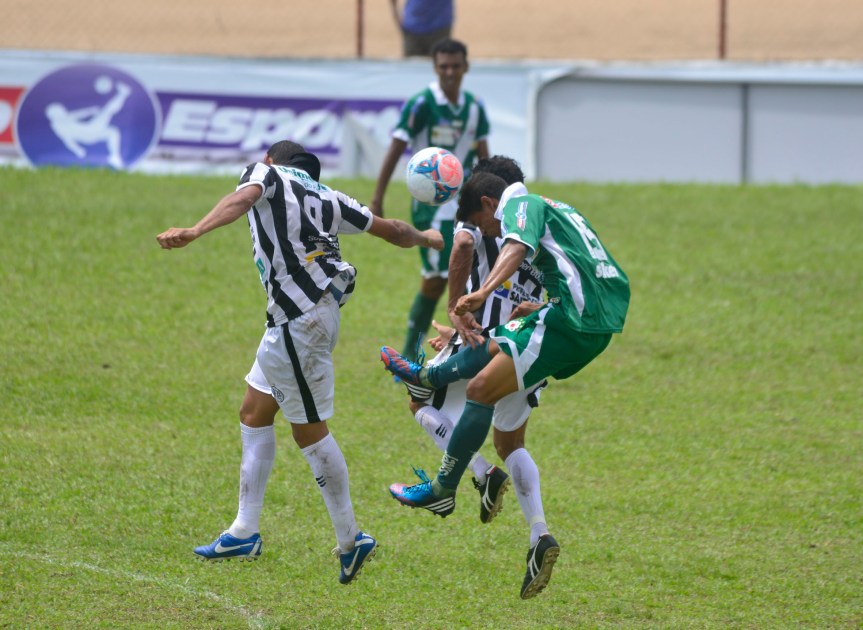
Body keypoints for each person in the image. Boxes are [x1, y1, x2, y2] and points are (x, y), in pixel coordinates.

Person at [156, 140, 443, 585]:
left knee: (309, 430)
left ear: (272, 160)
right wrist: (426, 237)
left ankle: (352, 539)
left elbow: (242, 198)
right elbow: (391, 230)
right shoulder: (329, 197)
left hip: (298, 320)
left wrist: (195, 230)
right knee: (254, 411)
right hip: (309, 316)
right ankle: (244, 530)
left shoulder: (266, 174)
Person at [381, 171, 631, 598]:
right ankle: (539, 537)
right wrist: (549, 303)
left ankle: (444, 485)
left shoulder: (521, 206)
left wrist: (482, 293)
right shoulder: (558, 208)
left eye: (486, 224)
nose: (490, 233)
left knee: (474, 392)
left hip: (575, 318)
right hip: (590, 318)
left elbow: (515, 245)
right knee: (507, 429)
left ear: (489, 203)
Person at [392, 156, 548, 530]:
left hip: (485, 338)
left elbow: (462, 244)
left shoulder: (484, 211)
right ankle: (539, 531)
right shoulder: (541, 220)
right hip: (536, 345)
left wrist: (456, 310)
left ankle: (479, 473)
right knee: (511, 443)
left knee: (419, 399)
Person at [371, 37, 490, 362]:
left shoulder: (475, 107)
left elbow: (483, 157)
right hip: (432, 209)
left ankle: (472, 349)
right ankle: (411, 352)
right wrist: (378, 196)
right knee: (439, 281)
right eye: (443, 66)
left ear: (465, 66)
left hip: (467, 206)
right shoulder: (422, 104)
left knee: (467, 276)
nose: (449, 72)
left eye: (455, 66)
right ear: (435, 68)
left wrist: (494, 198)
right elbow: (396, 148)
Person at [390, 0, 454, 58]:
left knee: (440, 65)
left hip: (439, 27)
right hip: (412, 28)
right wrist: (396, 14)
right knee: (411, 68)